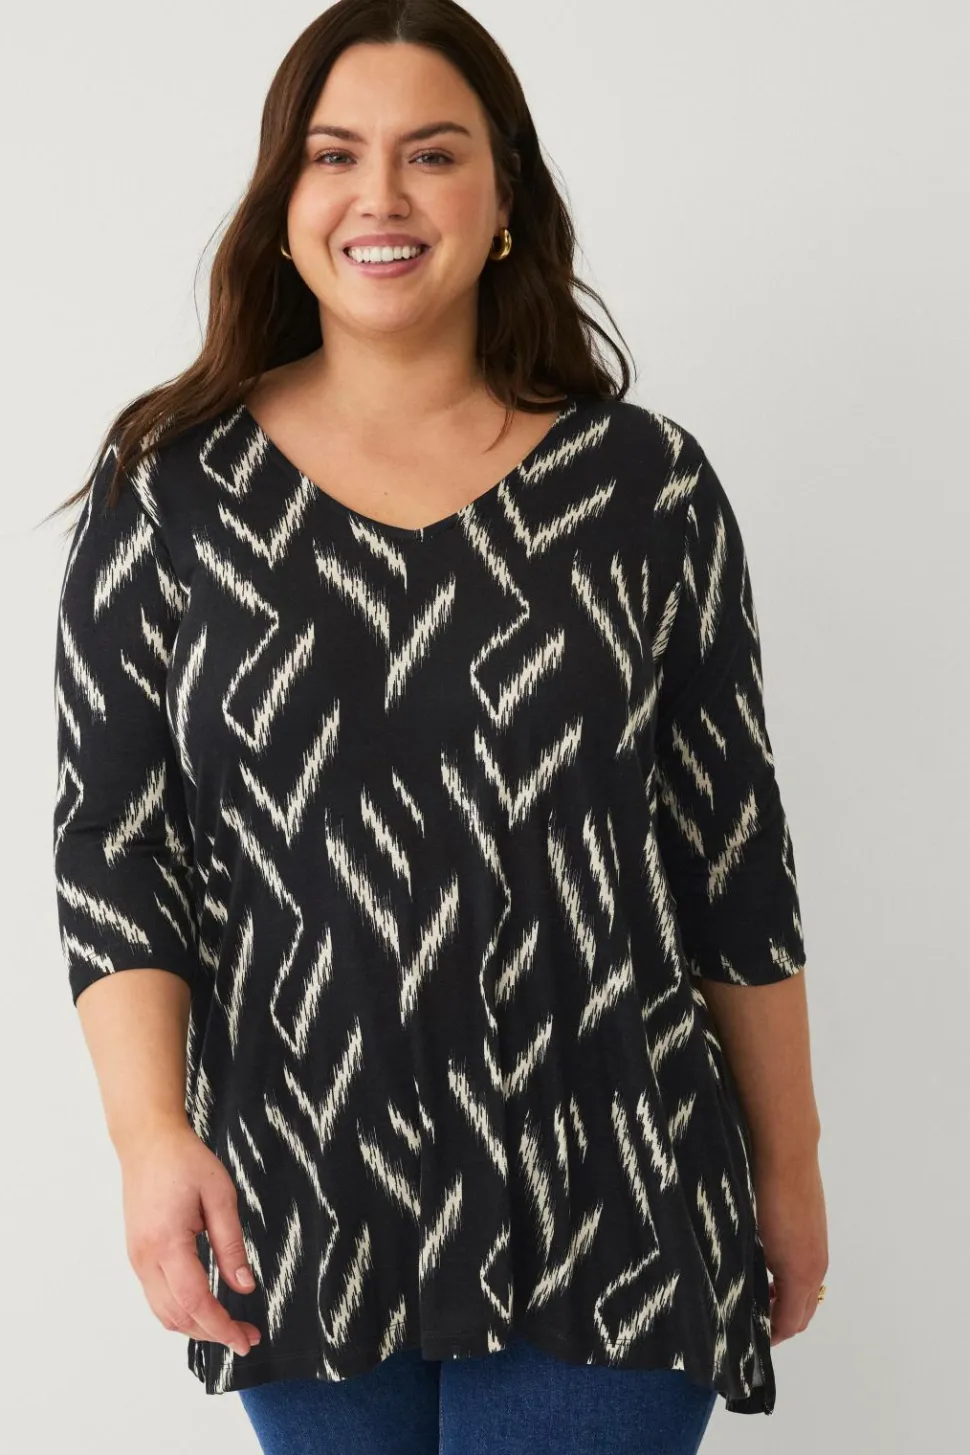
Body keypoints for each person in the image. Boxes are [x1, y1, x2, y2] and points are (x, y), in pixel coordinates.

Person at [50, 2, 828, 1451]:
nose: (381, 196)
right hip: (302, 1192)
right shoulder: (168, 495)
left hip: (617, 1182)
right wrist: (149, 1139)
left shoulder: (645, 491)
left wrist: (791, 1166)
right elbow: (115, 849)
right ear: (283, 200)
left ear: (504, 194)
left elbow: (731, 855)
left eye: (433, 153)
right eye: (334, 154)